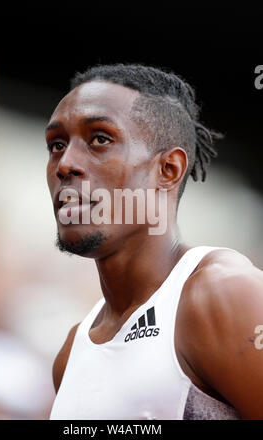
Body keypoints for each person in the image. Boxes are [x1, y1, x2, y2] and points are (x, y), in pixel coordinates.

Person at [46, 64, 263, 420]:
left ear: (168, 170)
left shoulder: (225, 295)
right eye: (56, 144)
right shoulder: (71, 354)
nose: (65, 164)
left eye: (100, 139)